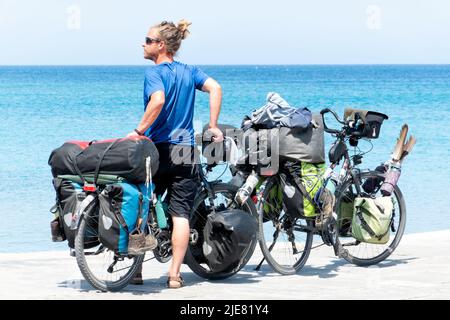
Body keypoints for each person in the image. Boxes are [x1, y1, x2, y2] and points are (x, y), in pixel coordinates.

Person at [127, 19, 224, 288]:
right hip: (185, 149)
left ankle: (136, 271)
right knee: (180, 212)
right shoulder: (190, 71)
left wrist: (138, 131)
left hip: (157, 148)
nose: (142, 44)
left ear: (161, 46)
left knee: (144, 205)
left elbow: (157, 100)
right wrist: (213, 125)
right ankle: (174, 275)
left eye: (147, 40)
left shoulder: (154, 73)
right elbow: (215, 88)